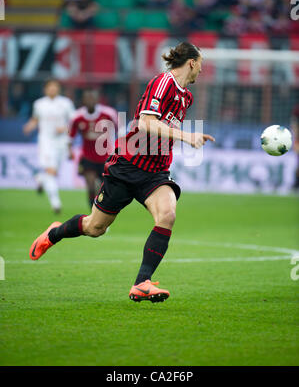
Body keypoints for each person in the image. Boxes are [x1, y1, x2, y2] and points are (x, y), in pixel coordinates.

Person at [29, 42, 215, 303]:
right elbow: (147, 123)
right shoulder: (163, 83)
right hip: (127, 167)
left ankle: (142, 282)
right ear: (192, 62)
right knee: (95, 228)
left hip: (156, 172)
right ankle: (54, 233)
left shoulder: (186, 96)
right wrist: (186, 136)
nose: (201, 71)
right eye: (201, 64)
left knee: (167, 214)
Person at [23, 79, 75, 213]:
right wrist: (30, 126)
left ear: (59, 89)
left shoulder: (66, 103)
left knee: (53, 172)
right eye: (50, 87)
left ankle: (40, 178)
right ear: (45, 89)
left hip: (61, 142)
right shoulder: (39, 104)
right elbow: (35, 119)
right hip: (46, 141)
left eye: (55, 87)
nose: (52, 89)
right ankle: (55, 203)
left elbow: (74, 123)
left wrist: (64, 129)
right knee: (51, 171)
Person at [69, 89, 118, 208]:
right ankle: (93, 214)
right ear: (83, 100)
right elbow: (70, 136)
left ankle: (102, 213)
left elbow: (119, 131)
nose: (90, 100)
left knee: (103, 189)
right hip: (87, 157)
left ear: (97, 99)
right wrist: (69, 150)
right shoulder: (77, 116)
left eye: (92, 98)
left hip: (106, 157)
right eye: (87, 98)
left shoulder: (109, 114)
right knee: (91, 186)